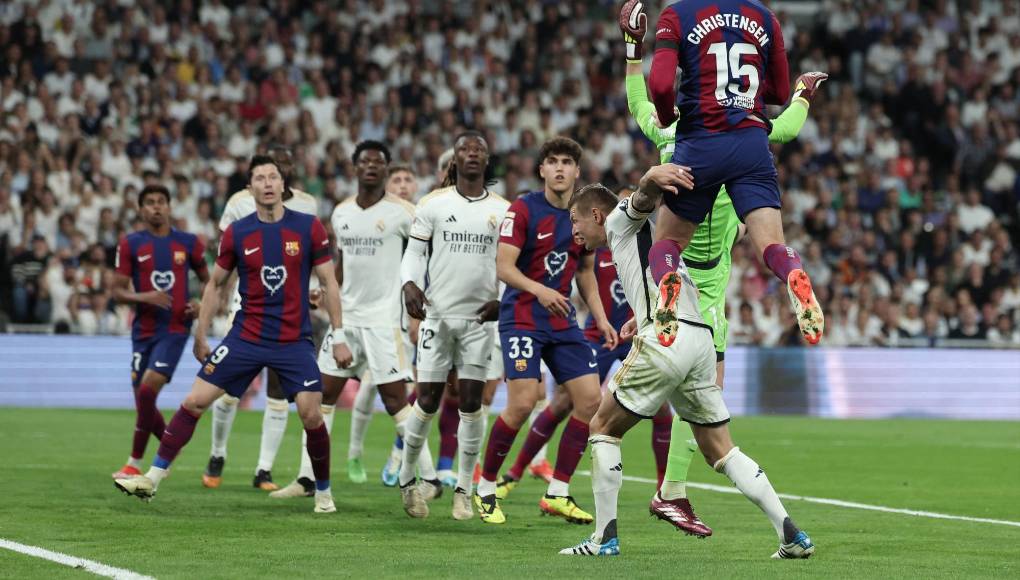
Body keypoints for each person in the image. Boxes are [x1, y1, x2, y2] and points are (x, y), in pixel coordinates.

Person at [619, 3, 826, 536]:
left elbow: (644, 97)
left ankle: (663, 490)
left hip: (673, 260)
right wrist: (802, 92)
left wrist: (630, 49)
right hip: (709, 278)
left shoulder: (670, 137)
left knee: (661, 254)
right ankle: (673, 491)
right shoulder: (761, 23)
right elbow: (782, 125)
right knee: (709, 390)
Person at [559, 168, 814, 558]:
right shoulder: (657, 238)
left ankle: (603, 539)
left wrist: (649, 178)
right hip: (699, 338)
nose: (574, 232)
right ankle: (790, 533)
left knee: (603, 426)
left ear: (595, 215)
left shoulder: (617, 221)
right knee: (720, 450)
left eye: (575, 220)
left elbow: (641, 200)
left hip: (666, 338)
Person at [114, 155, 350, 515]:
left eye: (274, 177)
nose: (268, 183)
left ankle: (323, 492)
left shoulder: (308, 227)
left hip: (293, 340)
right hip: (246, 337)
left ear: (284, 186)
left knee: (311, 415)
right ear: (250, 187)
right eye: (260, 178)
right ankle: (152, 478)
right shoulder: (238, 233)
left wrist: (339, 333)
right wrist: (201, 334)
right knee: (194, 400)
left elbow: (329, 282)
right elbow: (215, 284)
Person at [620, 0, 824, 347]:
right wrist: (803, 95)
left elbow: (651, 92)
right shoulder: (764, 16)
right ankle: (793, 272)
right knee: (773, 244)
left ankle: (666, 284)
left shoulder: (677, 16)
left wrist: (633, 49)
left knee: (664, 245)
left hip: (697, 148)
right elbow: (780, 109)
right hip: (749, 146)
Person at [272, 141, 439, 499]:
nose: (371, 168)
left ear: (386, 168)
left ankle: (430, 478)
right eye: (365, 162)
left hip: (384, 322)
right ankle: (306, 479)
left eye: (379, 163)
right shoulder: (342, 212)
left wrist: (418, 304)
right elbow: (343, 264)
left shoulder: (405, 213)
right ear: (355, 167)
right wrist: (326, 289)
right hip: (346, 320)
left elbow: (425, 257)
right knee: (320, 397)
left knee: (396, 401)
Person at [474, 137, 618, 525]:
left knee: (590, 401)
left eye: (567, 162)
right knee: (521, 404)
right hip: (522, 316)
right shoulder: (522, 209)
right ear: (541, 170)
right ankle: (486, 487)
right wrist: (541, 290)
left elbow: (586, 272)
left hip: (562, 321)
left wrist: (601, 317)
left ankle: (557, 492)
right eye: (552, 161)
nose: (559, 168)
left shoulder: (583, 214)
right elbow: (504, 267)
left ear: (576, 170)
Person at [398, 132, 510, 519]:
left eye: (479, 149)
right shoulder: (432, 205)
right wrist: (410, 284)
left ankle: (464, 488)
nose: (472, 154)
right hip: (437, 316)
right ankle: (407, 479)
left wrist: (503, 297)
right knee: (426, 400)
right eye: (465, 149)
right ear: (455, 161)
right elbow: (413, 255)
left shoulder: (504, 210)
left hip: (480, 320)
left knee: (471, 403)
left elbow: (510, 265)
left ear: (487, 159)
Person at [202, 146, 320, 492]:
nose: (272, 177)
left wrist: (310, 290)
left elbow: (311, 259)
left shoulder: (308, 205)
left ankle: (264, 469)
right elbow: (225, 250)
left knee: (279, 392)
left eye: (280, 169)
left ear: (288, 173)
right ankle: (217, 452)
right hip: (247, 308)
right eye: (266, 171)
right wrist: (223, 294)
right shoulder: (240, 202)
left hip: (289, 314)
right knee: (228, 389)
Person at [110, 184, 209, 479]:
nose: (156, 207)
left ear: (169, 206)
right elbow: (116, 291)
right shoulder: (130, 244)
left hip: (175, 328)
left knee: (146, 389)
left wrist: (200, 304)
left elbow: (212, 281)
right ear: (141, 209)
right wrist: (145, 297)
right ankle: (170, 443)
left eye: (161, 201)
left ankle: (134, 462)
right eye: (150, 202)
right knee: (143, 399)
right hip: (143, 330)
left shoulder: (189, 243)